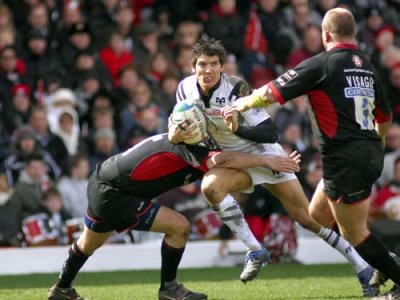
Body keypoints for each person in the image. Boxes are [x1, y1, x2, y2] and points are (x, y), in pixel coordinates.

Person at [173, 37, 377, 295]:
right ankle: (254, 249)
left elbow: (270, 132)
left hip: (265, 154)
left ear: (222, 67)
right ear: (193, 67)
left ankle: (362, 267)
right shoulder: (184, 90)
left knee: (308, 219)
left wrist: (238, 128)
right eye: (202, 64)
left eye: (214, 64)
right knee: (210, 188)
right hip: (234, 160)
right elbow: (185, 128)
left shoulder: (237, 90)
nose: (208, 70)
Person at [229, 8, 400, 299]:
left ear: (326, 35)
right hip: (368, 152)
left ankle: (394, 272)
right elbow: (384, 118)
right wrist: (372, 148)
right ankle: (385, 259)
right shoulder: (367, 67)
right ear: (354, 34)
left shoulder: (322, 64)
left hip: (345, 157)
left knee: (354, 233)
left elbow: (271, 92)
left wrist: (240, 104)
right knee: (317, 214)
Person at [48, 131, 300, 300]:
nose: (183, 128)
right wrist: (268, 161)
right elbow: (225, 159)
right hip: (114, 194)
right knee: (179, 227)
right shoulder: (189, 148)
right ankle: (169, 288)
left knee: (88, 243)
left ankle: (61, 288)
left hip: (103, 181)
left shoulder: (188, 140)